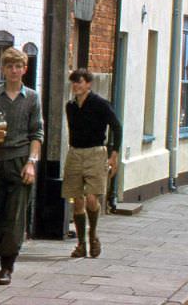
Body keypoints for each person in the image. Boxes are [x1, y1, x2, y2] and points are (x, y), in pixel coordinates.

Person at [0, 47, 44, 285]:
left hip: (20, 161)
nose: (14, 71)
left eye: (18, 67)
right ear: (3, 69)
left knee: (15, 215)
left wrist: (31, 163)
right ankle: (3, 247)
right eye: (9, 66)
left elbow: (37, 134)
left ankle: (6, 267)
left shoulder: (32, 97)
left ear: (25, 69)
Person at [62, 68, 122, 259]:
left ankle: (93, 234)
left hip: (96, 152)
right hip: (75, 152)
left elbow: (116, 126)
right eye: (73, 83)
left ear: (88, 84)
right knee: (76, 199)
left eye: (79, 82)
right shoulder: (70, 106)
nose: (75, 86)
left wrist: (114, 154)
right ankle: (81, 244)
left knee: (91, 198)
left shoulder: (100, 104)